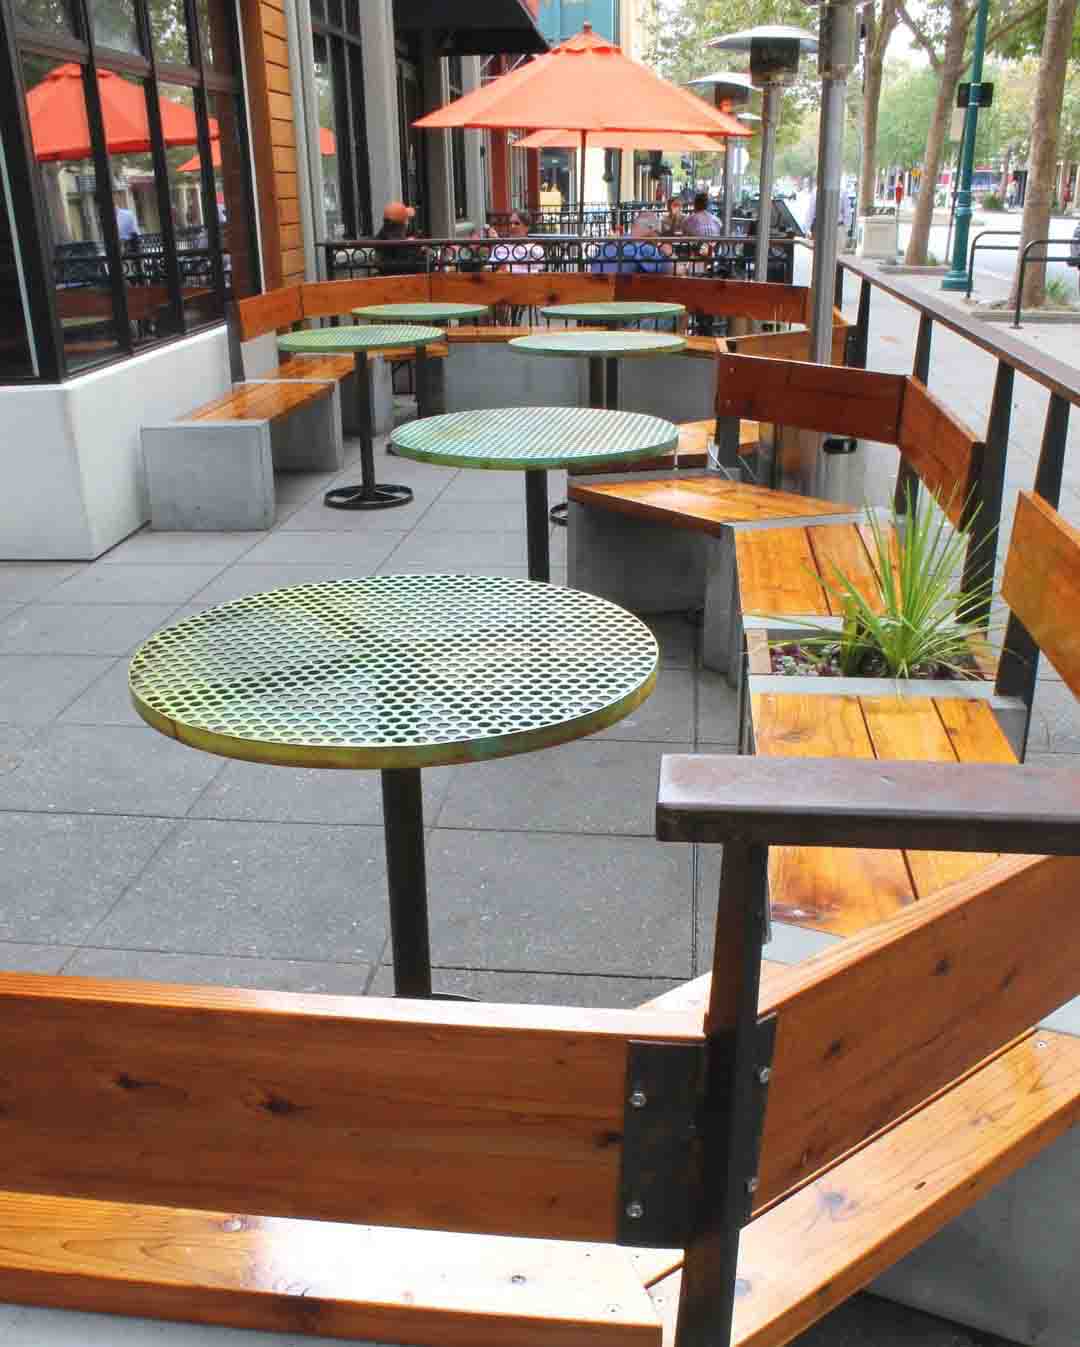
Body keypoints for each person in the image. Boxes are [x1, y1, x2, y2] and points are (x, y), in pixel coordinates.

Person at [374, 200, 426, 277]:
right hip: (403, 276)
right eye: (407, 220)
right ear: (401, 223)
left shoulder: (383, 235)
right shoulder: (396, 238)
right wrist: (416, 247)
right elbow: (410, 264)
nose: (408, 222)